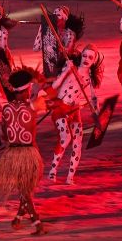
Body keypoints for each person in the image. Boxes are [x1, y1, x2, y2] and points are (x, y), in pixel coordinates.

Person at [0, 68, 47, 236]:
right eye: (29, 89)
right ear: (26, 89)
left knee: (24, 189)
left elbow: (4, 135)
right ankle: (36, 222)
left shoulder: (6, 109)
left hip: (13, 154)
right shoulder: (34, 105)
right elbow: (50, 94)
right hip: (30, 154)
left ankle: (26, 220)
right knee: (25, 190)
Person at [46, 44, 102, 185]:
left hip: (74, 110)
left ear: (94, 60)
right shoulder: (71, 68)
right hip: (60, 107)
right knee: (66, 137)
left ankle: (70, 177)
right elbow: (54, 87)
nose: (86, 59)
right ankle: (52, 172)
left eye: (90, 57)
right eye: (84, 55)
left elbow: (93, 97)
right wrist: (66, 71)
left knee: (77, 141)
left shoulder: (89, 79)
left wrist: (96, 110)